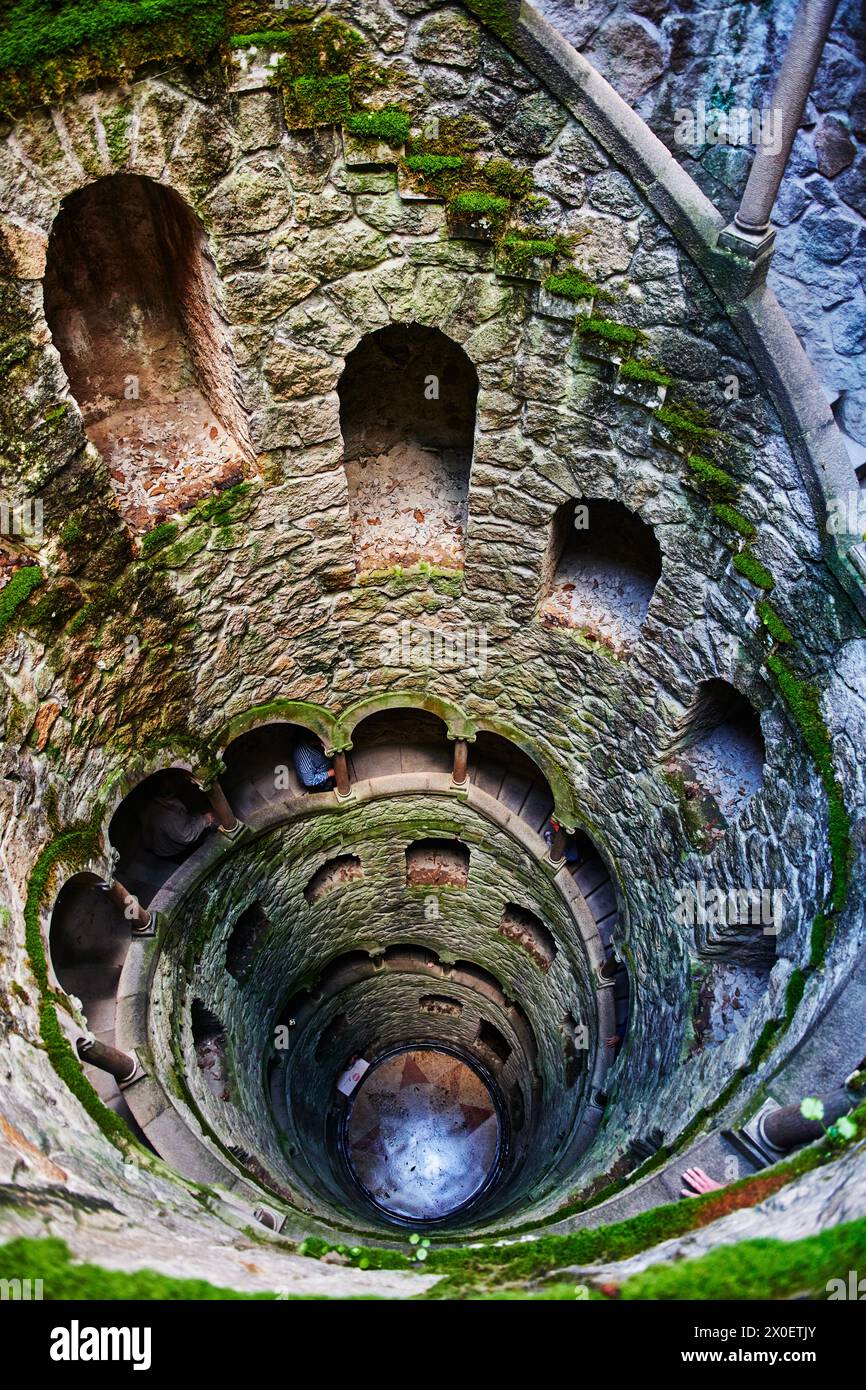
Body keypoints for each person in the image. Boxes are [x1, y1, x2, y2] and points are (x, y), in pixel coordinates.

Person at [139, 774, 216, 859]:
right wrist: (205, 819)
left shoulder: (150, 802)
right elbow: (187, 836)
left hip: (157, 842)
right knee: (209, 834)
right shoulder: (167, 816)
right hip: (171, 851)